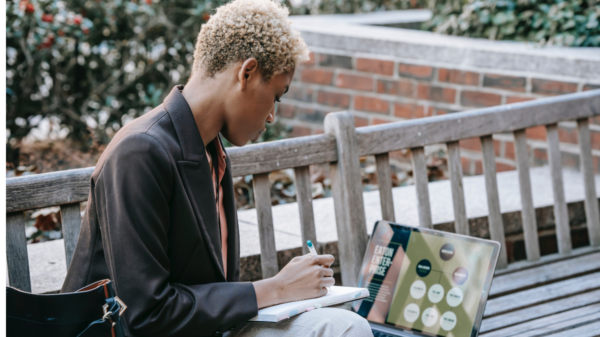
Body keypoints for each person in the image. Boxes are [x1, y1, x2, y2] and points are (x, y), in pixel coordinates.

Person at [61, 0, 373, 336]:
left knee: (343, 327)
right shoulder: (139, 152)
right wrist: (276, 289)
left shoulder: (212, 152)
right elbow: (144, 314)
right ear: (247, 73)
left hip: (205, 329)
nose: (271, 116)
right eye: (276, 96)